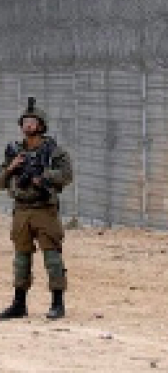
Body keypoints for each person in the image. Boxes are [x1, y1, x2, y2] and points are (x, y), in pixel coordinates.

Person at [0, 97, 73, 320]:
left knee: (52, 256)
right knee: (21, 258)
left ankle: (57, 303)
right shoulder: (14, 151)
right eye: (25, 121)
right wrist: (12, 168)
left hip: (44, 210)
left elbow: (66, 176)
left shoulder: (54, 152)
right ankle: (19, 303)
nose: (28, 125)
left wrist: (42, 178)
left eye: (32, 121)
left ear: (41, 125)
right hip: (21, 210)